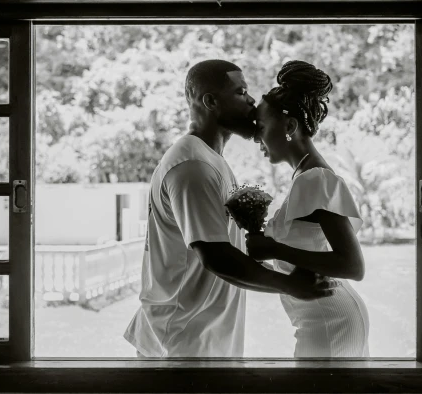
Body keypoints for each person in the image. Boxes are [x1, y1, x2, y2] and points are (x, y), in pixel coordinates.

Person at [124, 59, 339, 358]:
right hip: (181, 342)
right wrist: (290, 285)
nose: (252, 101)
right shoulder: (193, 166)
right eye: (241, 92)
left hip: (202, 337)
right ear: (211, 101)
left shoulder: (211, 160)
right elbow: (216, 256)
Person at [246, 60, 370, 358]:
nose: (256, 138)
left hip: (329, 323)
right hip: (324, 318)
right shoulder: (305, 177)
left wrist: (276, 249)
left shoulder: (314, 179)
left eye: (261, 127)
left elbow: (353, 266)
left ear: (289, 126)